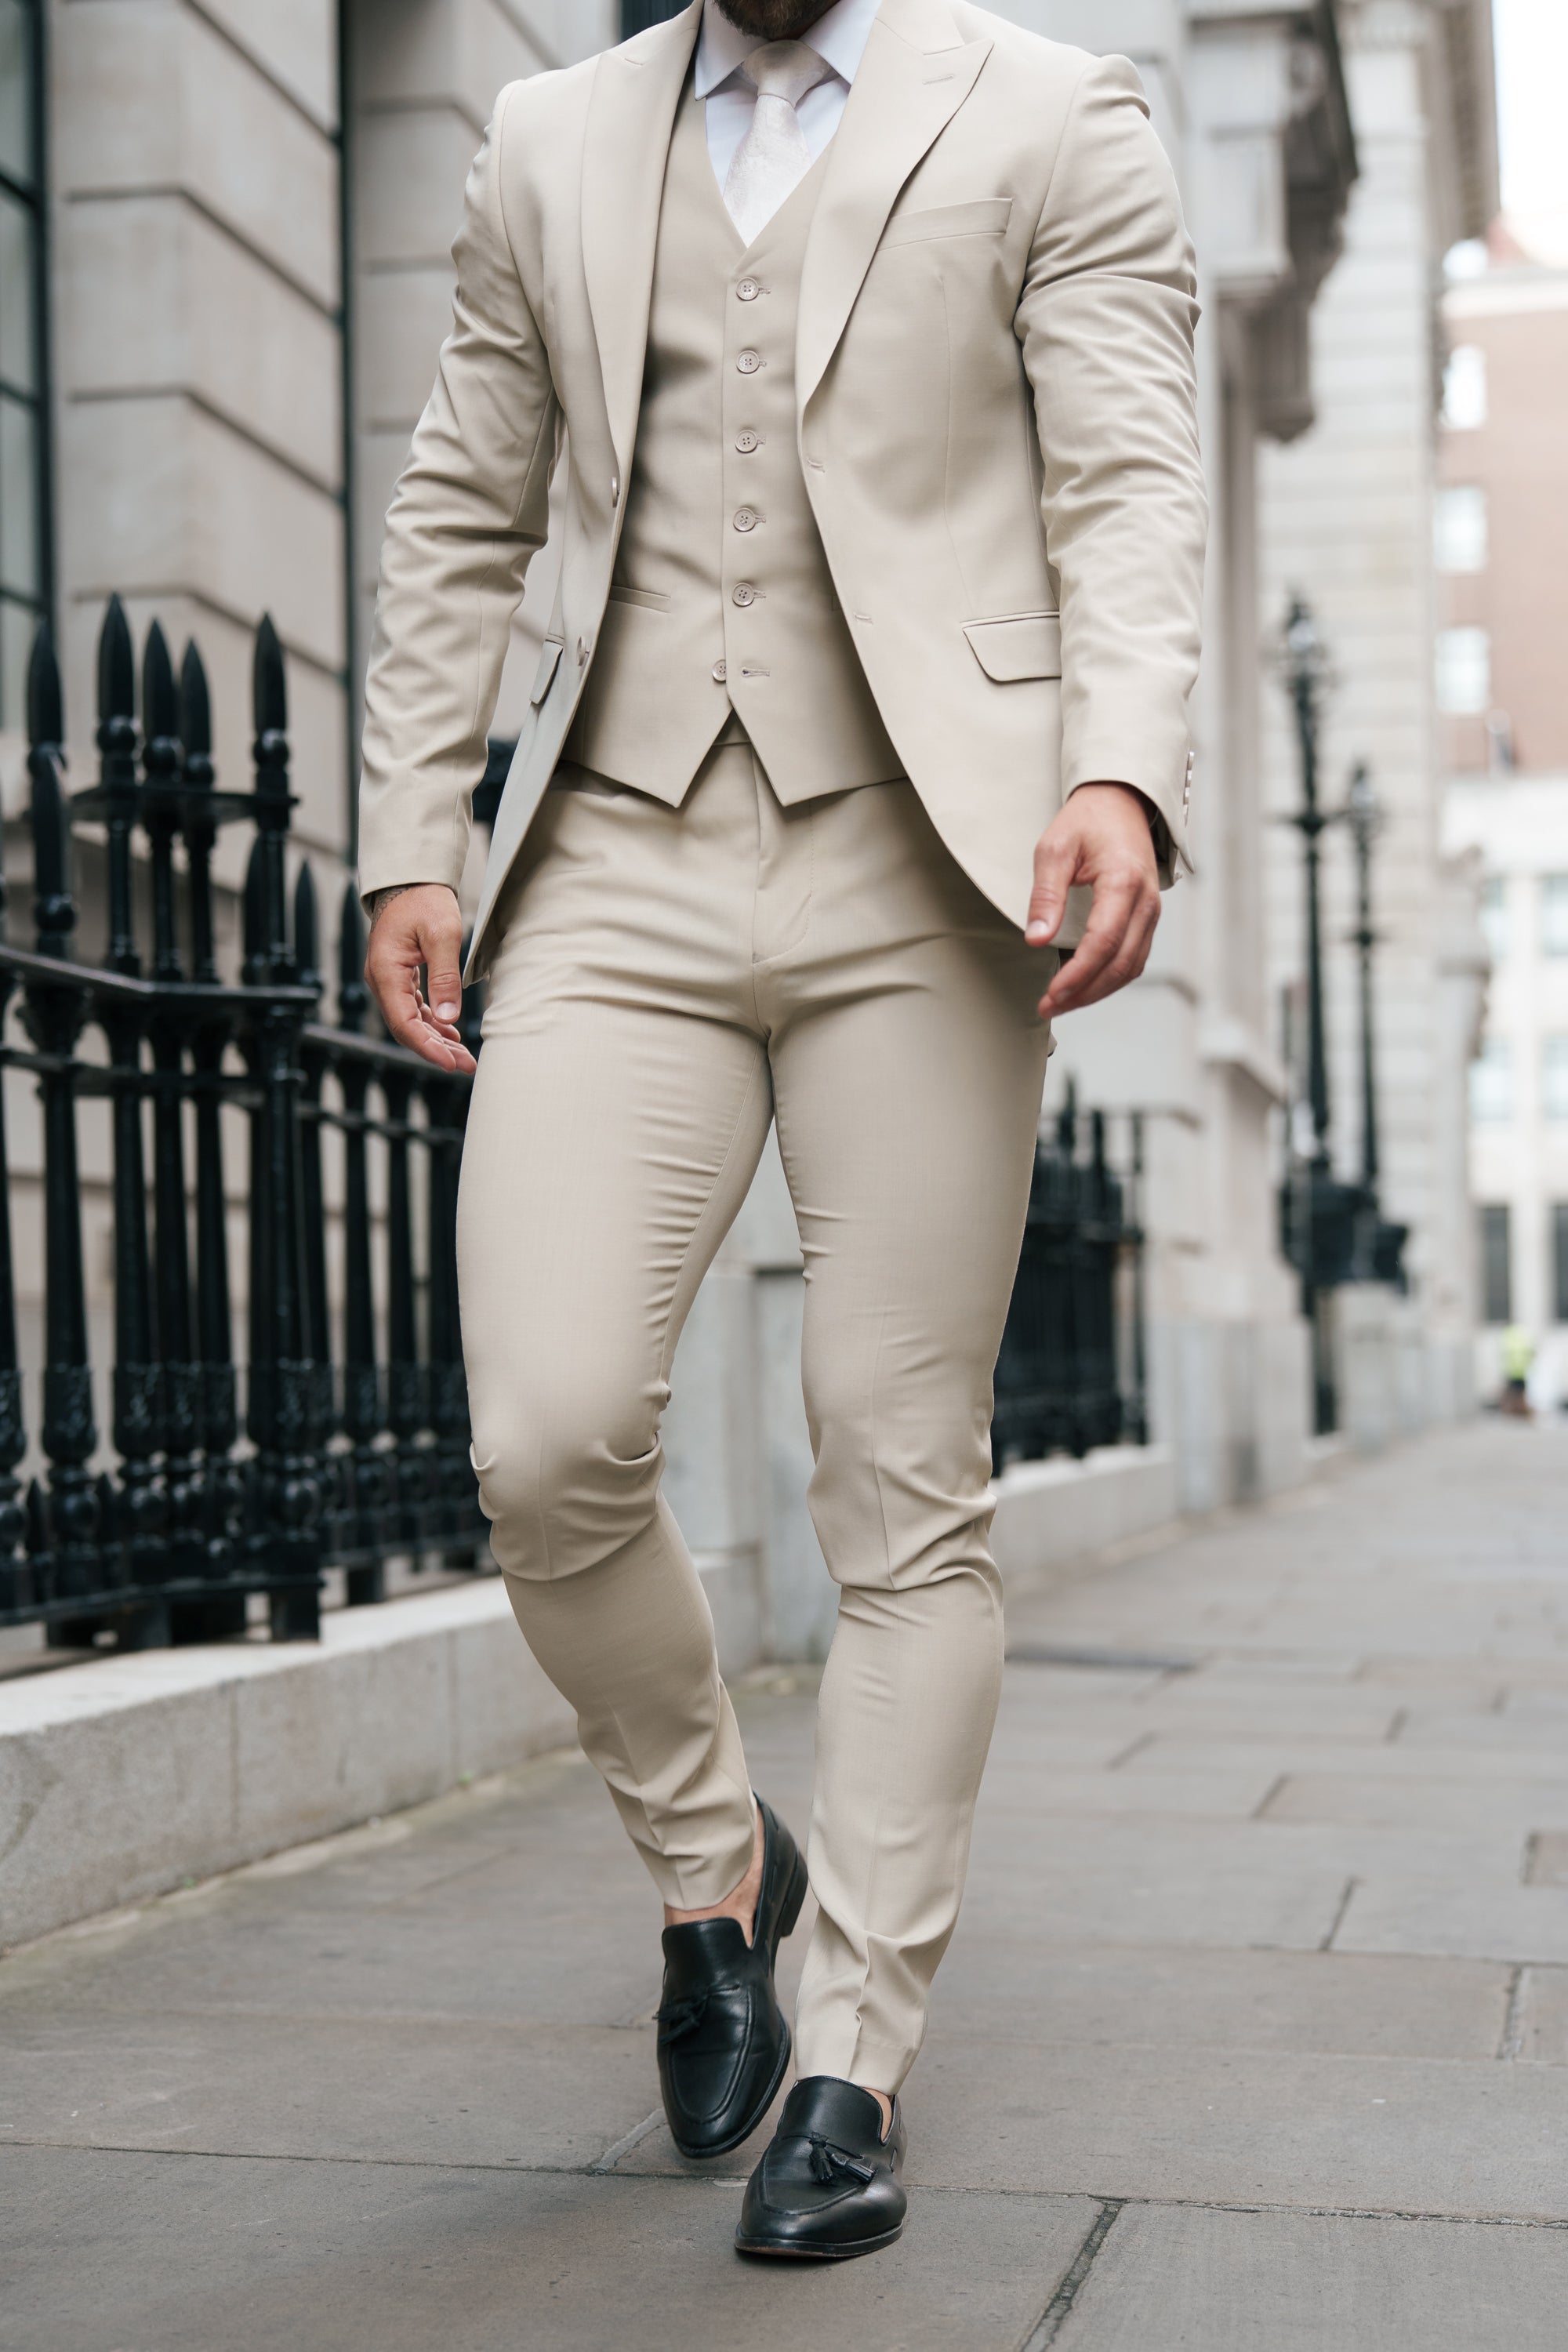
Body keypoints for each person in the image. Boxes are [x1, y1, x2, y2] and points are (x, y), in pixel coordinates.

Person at [357, 0, 1204, 2262]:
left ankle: (854, 2056)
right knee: (546, 1441)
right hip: (618, 857)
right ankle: (711, 1863)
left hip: (927, 867)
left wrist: (1122, 766)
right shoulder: (548, 136)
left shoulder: (1054, 113)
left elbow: (1129, 474)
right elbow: (465, 496)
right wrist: (408, 830)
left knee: (895, 1469)